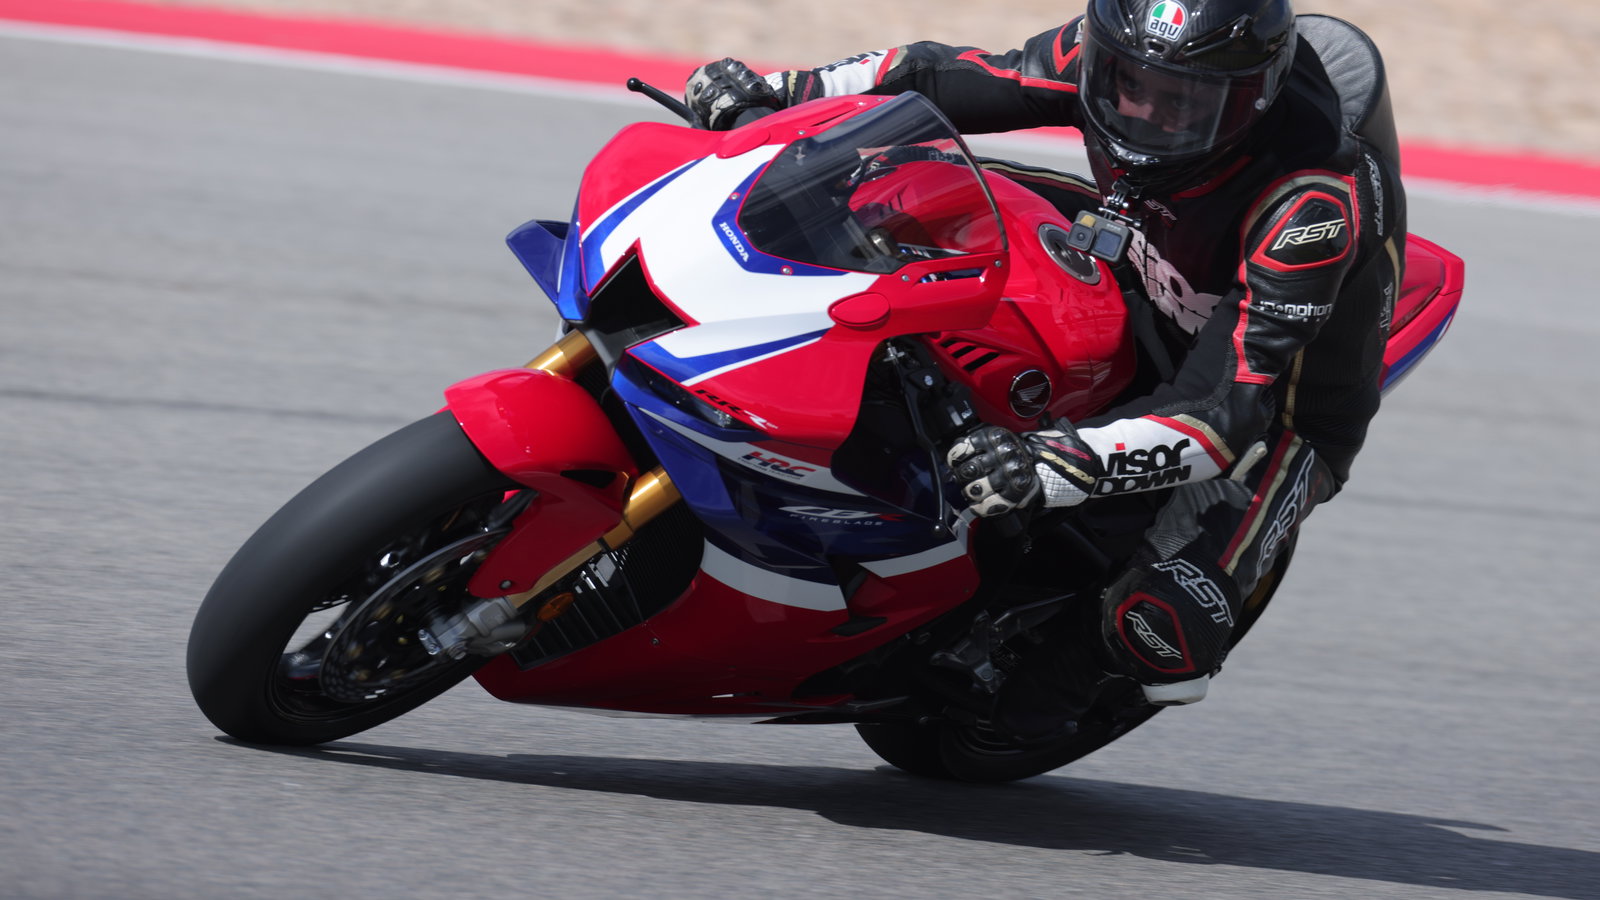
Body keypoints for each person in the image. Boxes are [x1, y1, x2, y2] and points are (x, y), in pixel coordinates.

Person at [685, 0, 1406, 739]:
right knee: (890, 196)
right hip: (1144, 261)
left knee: (1162, 624)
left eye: (1185, 103)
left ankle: (1066, 682)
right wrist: (778, 97)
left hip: (1274, 409)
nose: (1150, 116)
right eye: (1131, 83)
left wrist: (1051, 461)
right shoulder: (1112, 57)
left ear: (1254, 99)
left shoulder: (1313, 202)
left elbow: (1224, 413)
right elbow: (942, 75)